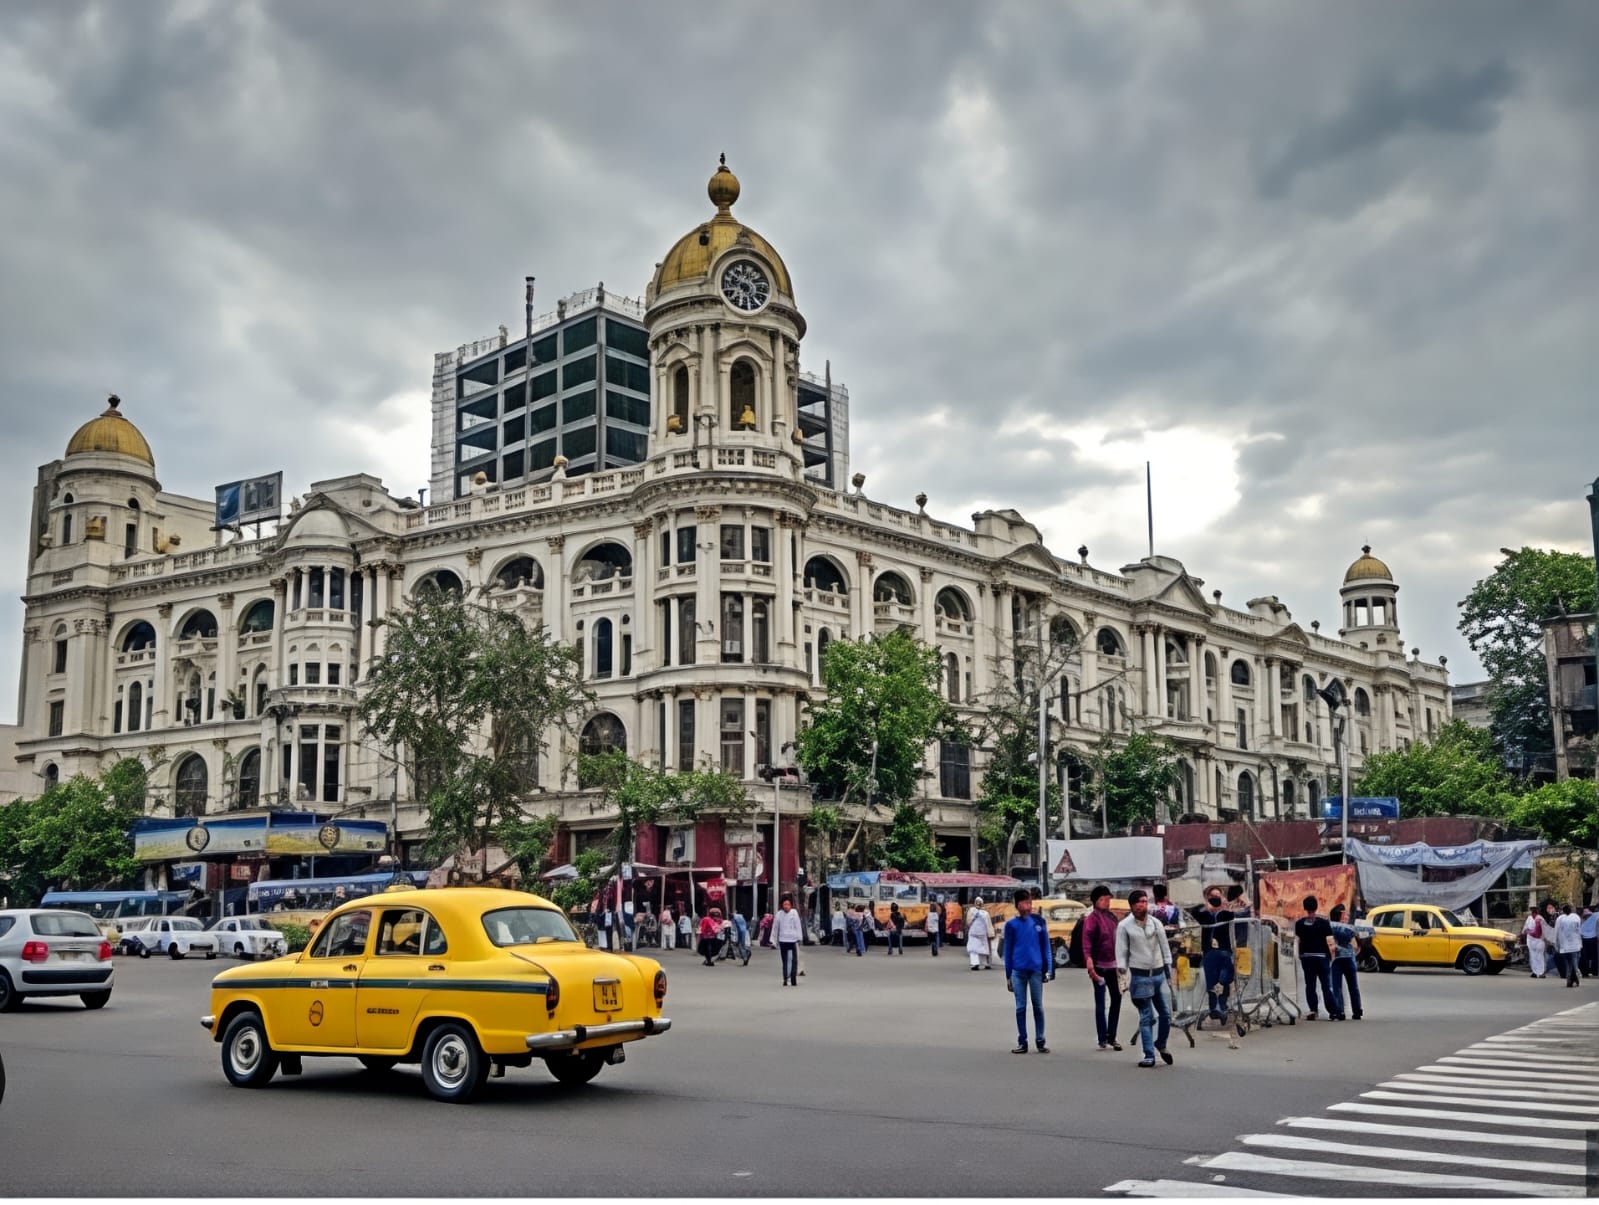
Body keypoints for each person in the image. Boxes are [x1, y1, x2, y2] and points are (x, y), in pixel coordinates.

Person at [1116, 888, 1174, 1067]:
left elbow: (1165, 948)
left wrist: (1168, 970)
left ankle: (1161, 1044)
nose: (1143, 905)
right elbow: (1122, 952)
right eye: (1139, 902)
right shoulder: (1125, 926)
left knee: (1166, 1014)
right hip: (1140, 976)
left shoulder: (1156, 923)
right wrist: (1122, 975)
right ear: (1132, 906)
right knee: (1146, 1016)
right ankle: (1149, 1054)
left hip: (1158, 974)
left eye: (1145, 901)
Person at [1003, 888, 1054, 1053]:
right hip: (1018, 971)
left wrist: (1049, 969)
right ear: (1017, 905)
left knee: (1038, 1006)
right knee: (1020, 1007)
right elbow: (1008, 951)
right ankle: (1022, 1041)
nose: (1028, 906)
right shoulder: (1011, 925)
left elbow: (1046, 946)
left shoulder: (1039, 922)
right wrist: (1008, 975)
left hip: (1036, 970)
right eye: (1025, 902)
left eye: (1030, 902)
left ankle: (1040, 1039)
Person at [1082, 885, 1123, 1051]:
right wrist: (1089, 961)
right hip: (1098, 966)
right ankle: (1102, 1037)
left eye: (1108, 899)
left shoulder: (1112, 918)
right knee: (1100, 1002)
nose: (1107, 902)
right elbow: (1086, 944)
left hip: (1113, 965)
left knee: (1117, 998)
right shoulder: (1091, 920)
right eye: (1103, 899)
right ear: (1095, 901)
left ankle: (1112, 1036)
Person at [1188, 887, 1238, 1021]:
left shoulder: (1225, 913)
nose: (1216, 899)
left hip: (1225, 951)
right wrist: (1207, 907)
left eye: (1218, 896)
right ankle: (1213, 1009)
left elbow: (1233, 915)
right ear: (1207, 898)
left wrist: (1225, 905)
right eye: (1212, 896)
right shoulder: (1204, 914)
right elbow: (1194, 912)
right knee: (1211, 981)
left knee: (1224, 979)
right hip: (1209, 952)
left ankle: (1222, 1005)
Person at [1293, 896, 1336, 1019]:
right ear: (1316, 907)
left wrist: (1301, 955)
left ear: (1305, 908)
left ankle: (1313, 1010)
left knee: (1310, 985)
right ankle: (1333, 1011)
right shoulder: (1323, 923)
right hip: (1322, 957)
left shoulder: (1300, 924)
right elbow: (1330, 941)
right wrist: (1331, 957)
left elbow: (1298, 940)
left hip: (1307, 957)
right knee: (1326, 985)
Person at [1327, 903, 1363, 1021]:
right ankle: (1357, 1011)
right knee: (1353, 986)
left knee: (1337, 987)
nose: (1347, 916)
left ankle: (1339, 1011)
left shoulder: (1331, 927)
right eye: (1345, 914)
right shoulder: (1348, 929)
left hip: (1336, 959)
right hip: (1348, 959)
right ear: (1341, 916)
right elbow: (1357, 939)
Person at [773, 894, 803, 986]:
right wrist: (774, 940)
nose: (786, 906)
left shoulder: (794, 913)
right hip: (783, 940)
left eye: (788, 904)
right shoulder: (779, 914)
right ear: (782, 905)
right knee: (785, 960)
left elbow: (798, 925)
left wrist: (799, 937)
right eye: (784, 904)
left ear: (791, 905)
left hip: (792, 940)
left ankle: (792, 979)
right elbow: (775, 928)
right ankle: (786, 978)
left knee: (793, 960)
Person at [1553, 903, 1582, 988]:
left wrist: (1556, 944)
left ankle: (1569, 980)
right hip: (1575, 945)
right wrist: (1580, 944)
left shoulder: (1560, 919)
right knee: (1575, 964)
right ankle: (1575, 980)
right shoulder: (1576, 917)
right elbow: (1579, 931)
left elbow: (1556, 932)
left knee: (1569, 964)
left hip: (1564, 946)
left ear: (1563, 911)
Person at [966, 897, 995, 970]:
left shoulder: (971, 910)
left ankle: (975, 963)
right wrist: (990, 934)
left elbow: (968, 922)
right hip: (982, 933)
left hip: (973, 932)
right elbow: (988, 925)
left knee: (973, 948)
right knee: (983, 948)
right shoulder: (985, 913)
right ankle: (986, 963)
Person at [1522, 906, 1548, 978]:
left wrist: (1529, 932)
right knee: (1532, 956)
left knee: (1539, 956)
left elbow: (1541, 931)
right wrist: (1525, 933)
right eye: (1532, 911)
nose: (1533, 913)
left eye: (1534, 911)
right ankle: (1534, 971)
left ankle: (1541, 972)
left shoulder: (1540, 919)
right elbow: (1525, 929)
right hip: (1531, 940)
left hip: (1539, 940)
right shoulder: (1529, 918)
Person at [1580, 907, 1597, 979]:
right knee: (1592, 956)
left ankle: (1587, 972)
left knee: (1587, 957)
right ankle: (1593, 971)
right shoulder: (1593, 918)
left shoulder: (1583, 920)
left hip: (1588, 939)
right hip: (1591, 938)